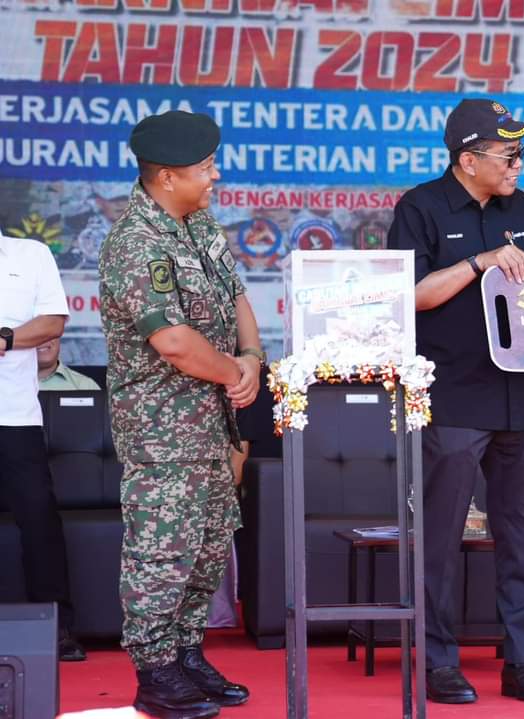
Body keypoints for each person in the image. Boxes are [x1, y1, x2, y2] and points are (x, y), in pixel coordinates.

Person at [386, 98, 524, 704]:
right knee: (441, 534)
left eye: (520, 153)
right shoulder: (421, 207)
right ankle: (437, 660)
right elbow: (411, 294)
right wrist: (478, 263)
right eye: (509, 154)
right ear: (467, 159)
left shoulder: (522, 207)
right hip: (453, 393)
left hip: (519, 393)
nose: (518, 164)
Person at [98, 110, 263, 719]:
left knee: (207, 547)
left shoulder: (200, 224)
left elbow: (236, 293)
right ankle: (154, 670)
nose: (215, 176)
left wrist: (252, 357)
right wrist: (234, 373)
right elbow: (171, 341)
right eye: (206, 168)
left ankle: (187, 653)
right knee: (161, 553)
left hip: (213, 424)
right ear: (167, 176)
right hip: (163, 431)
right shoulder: (135, 244)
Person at [0, 233, 86, 662]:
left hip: (15, 415)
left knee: (39, 520)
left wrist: (4, 339)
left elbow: (52, 322)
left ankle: (57, 627)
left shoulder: (30, 254)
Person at [36, 338, 101, 391]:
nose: (43, 339)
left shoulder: (86, 386)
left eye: (48, 333)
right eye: (35, 334)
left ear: (59, 337)